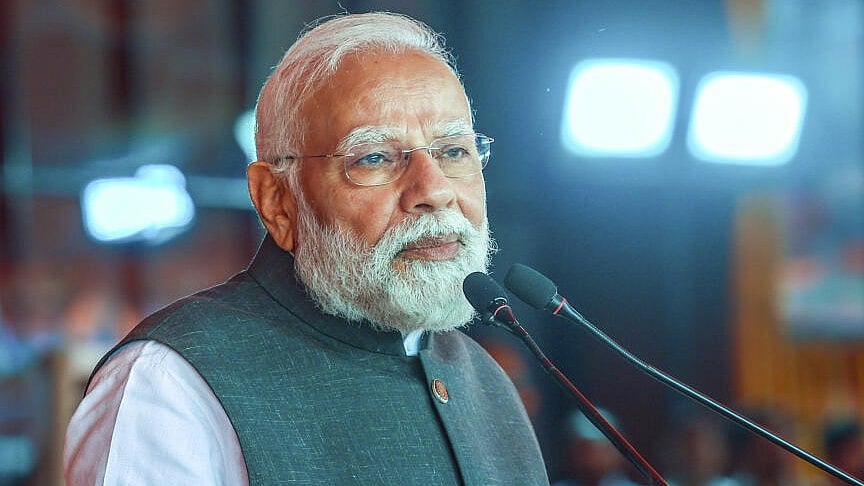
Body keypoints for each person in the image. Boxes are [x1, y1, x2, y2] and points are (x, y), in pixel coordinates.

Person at [63, 11, 548, 485]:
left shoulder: (488, 381)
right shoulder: (169, 383)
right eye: (374, 157)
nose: (434, 189)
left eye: (454, 151)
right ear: (277, 201)